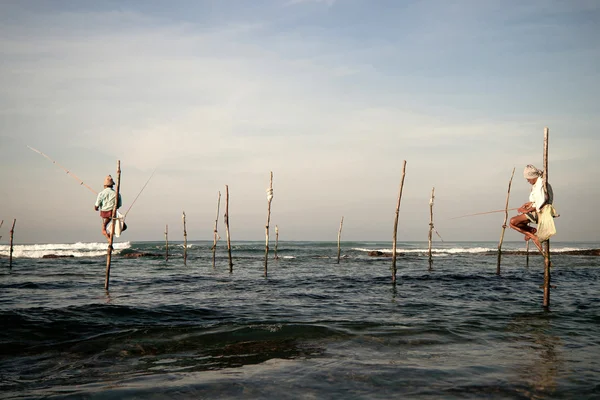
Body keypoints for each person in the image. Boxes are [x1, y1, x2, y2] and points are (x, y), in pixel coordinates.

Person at [509, 164, 553, 252]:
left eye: (528, 179)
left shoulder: (541, 185)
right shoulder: (537, 185)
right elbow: (536, 201)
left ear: (533, 177)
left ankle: (533, 236)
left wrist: (527, 210)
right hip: (536, 211)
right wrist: (527, 204)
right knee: (515, 223)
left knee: (512, 222)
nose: (528, 181)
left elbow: (541, 203)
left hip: (541, 212)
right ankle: (531, 231)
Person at [94, 175, 122, 240]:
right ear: (112, 185)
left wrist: (96, 208)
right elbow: (119, 205)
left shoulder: (101, 193)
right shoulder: (116, 193)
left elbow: (97, 204)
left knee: (107, 222)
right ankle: (106, 231)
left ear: (105, 186)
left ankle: (105, 230)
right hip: (112, 212)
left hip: (104, 213)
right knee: (123, 226)